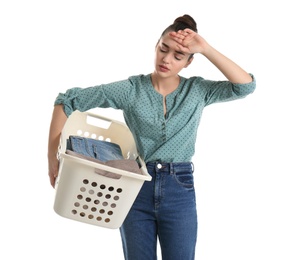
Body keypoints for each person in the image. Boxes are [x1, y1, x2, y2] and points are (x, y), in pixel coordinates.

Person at [48, 14, 256, 260]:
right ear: (155, 46)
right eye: (163, 49)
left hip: (179, 187)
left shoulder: (198, 90)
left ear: (188, 62)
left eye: (178, 56)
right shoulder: (132, 89)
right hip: (135, 188)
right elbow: (68, 101)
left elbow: (245, 86)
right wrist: (53, 157)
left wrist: (205, 48)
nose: (166, 59)